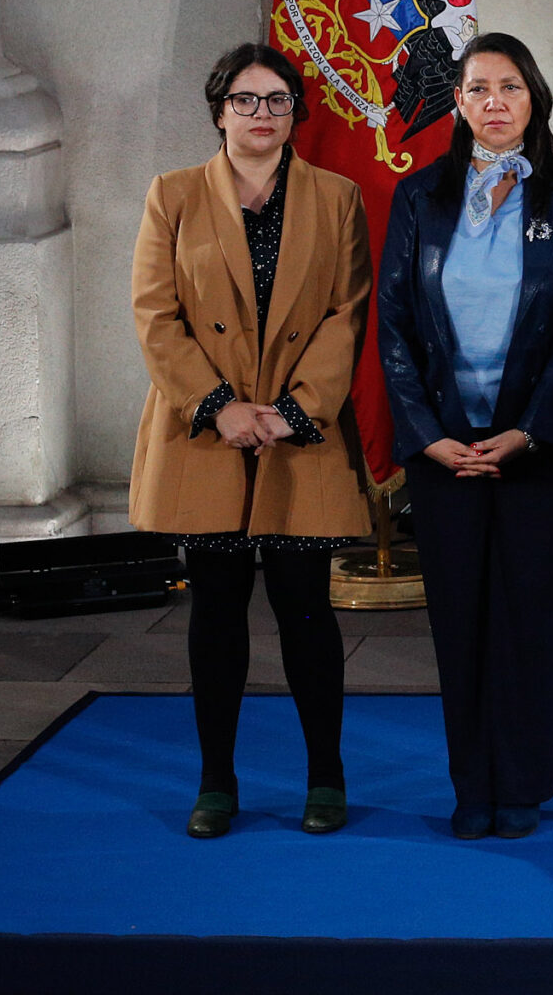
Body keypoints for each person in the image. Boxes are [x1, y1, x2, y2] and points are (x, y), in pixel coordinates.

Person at [129, 42, 372, 840]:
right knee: (217, 611)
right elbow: (155, 315)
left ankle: (326, 777)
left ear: (296, 112)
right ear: (218, 111)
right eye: (245, 99)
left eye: (276, 100)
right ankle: (216, 782)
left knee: (306, 608)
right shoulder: (172, 195)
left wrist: (295, 411)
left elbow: (346, 313)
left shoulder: (336, 197)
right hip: (209, 434)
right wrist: (218, 406)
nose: (261, 114)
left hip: (298, 434)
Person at [375, 31, 553, 841]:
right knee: (460, 619)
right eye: (478, 88)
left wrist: (529, 430)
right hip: (445, 444)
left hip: (538, 444)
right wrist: (425, 433)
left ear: (534, 97)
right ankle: (472, 784)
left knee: (533, 616)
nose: (495, 102)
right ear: (458, 103)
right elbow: (393, 323)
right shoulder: (420, 195)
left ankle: (525, 784)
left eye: (510, 87)